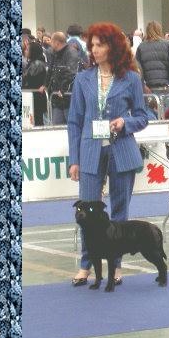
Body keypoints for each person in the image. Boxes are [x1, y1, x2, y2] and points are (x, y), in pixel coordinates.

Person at [67, 22, 153, 286]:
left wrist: (125, 122)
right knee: (87, 211)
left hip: (122, 150)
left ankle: (116, 264)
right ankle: (86, 265)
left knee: (119, 210)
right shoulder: (82, 79)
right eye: (91, 45)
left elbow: (143, 116)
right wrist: (74, 160)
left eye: (99, 45)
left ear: (112, 47)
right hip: (89, 151)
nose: (93, 50)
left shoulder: (132, 79)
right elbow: (74, 122)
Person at [39, 31, 81, 125]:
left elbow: (71, 73)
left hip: (68, 97)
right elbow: (51, 70)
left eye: (51, 41)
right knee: (56, 126)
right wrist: (45, 84)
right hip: (57, 97)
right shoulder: (55, 53)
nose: (50, 44)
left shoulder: (71, 53)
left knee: (71, 125)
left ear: (56, 42)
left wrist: (63, 89)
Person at [135, 20, 169, 93]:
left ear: (147, 31)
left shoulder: (141, 47)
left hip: (148, 88)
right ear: (159, 30)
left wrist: (143, 85)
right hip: (164, 86)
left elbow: (137, 68)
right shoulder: (168, 45)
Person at [22, 41, 48, 126]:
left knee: (37, 121)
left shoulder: (37, 64)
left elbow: (28, 79)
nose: (25, 51)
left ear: (33, 51)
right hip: (33, 96)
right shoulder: (32, 62)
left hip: (36, 97)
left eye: (27, 49)